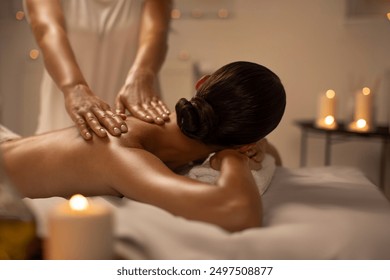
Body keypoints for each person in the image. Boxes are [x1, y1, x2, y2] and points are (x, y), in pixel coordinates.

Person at [1, 61, 286, 232]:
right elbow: (240, 213)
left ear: (202, 83)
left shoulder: (159, 124)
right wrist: (233, 159)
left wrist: (255, 146)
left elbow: (274, 157)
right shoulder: (124, 151)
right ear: (245, 141)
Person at [24, 0, 172, 140]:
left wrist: (142, 75)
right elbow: (47, 30)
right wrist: (75, 87)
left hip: (135, 116)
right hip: (64, 121)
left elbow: (156, 31)